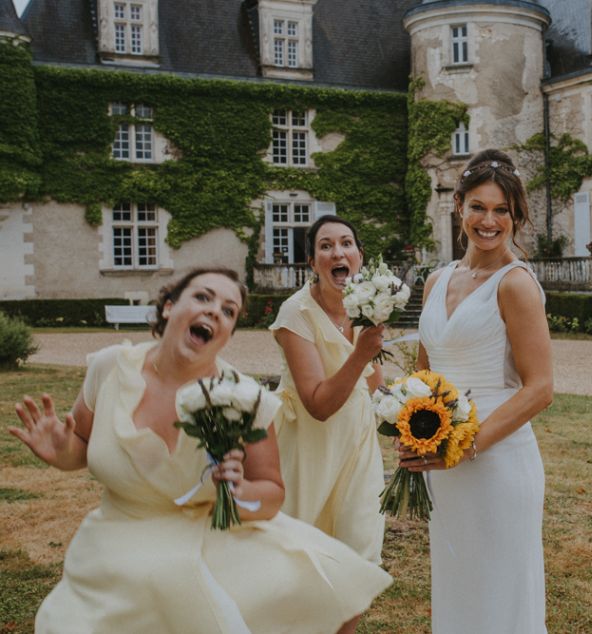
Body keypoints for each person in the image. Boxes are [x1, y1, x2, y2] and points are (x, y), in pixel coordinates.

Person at [9, 268, 391, 634]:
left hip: (203, 541)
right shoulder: (110, 368)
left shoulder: (243, 396)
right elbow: (80, 446)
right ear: (169, 306)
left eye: (228, 310)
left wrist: (239, 491)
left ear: (227, 335)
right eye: (203, 297)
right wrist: (60, 450)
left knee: (333, 584)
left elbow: (272, 493)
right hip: (111, 545)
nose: (214, 311)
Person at [400, 149, 554, 633]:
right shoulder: (436, 280)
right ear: (458, 207)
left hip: (496, 459)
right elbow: (425, 375)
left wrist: (464, 447)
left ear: (516, 215)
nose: (489, 221)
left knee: (500, 591)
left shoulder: (515, 284)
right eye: (479, 207)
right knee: (459, 584)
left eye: (501, 210)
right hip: (442, 462)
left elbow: (540, 388)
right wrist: (411, 430)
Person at [269, 216, 386, 564]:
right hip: (310, 448)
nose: (338, 252)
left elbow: (375, 385)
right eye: (326, 246)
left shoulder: (368, 306)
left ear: (360, 256)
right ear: (312, 262)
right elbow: (318, 405)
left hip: (358, 444)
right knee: (303, 556)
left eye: (346, 243)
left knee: (360, 553)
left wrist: (410, 418)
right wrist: (361, 353)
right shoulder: (296, 313)